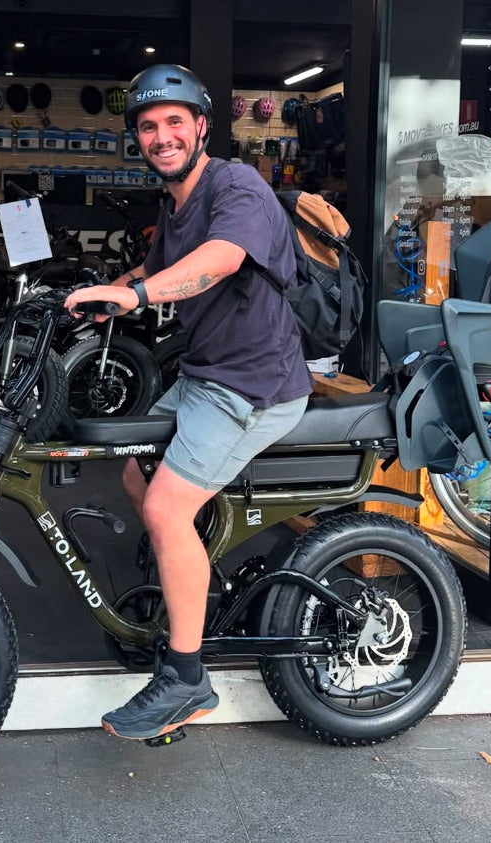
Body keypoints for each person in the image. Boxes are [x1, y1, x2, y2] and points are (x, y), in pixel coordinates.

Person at [64, 64, 313, 741]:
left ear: (201, 126)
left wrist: (137, 298)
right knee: (130, 466)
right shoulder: (174, 202)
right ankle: (188, 583)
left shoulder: (236, 186)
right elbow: (155, 267)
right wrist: (102, 293)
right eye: (148, 126)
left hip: (252, 384)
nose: (161, 134)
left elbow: (221, 260)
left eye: (174, 121)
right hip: (206, 373)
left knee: (163, 506)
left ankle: (185, 677)